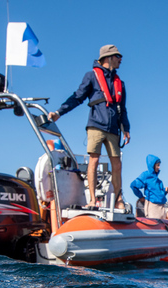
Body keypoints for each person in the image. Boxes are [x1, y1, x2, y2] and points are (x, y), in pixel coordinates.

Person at [47, 44, 130, 209]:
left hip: (113, 129)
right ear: (108, 57)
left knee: (117, 164)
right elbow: (77, 97)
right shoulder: (91, 76)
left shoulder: (120, 82)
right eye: (118, 56)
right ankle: (92, 200)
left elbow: (123, 108)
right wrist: (59, 112)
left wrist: (126, 129)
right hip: (96, 126)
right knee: (94, 160)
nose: (121, 60)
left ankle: (118, 200)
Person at [130, 155, 168, 220]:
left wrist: (165, 191)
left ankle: (165, 227)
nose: (159, 167)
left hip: (162, 207)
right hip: (153, 208)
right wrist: (140, 196)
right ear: (152, 165)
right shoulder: (145, 175)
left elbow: (158, 194)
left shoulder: (159, 181)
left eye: (159, 165)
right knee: (157, 224)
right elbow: (133, 185)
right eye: (157, 165)